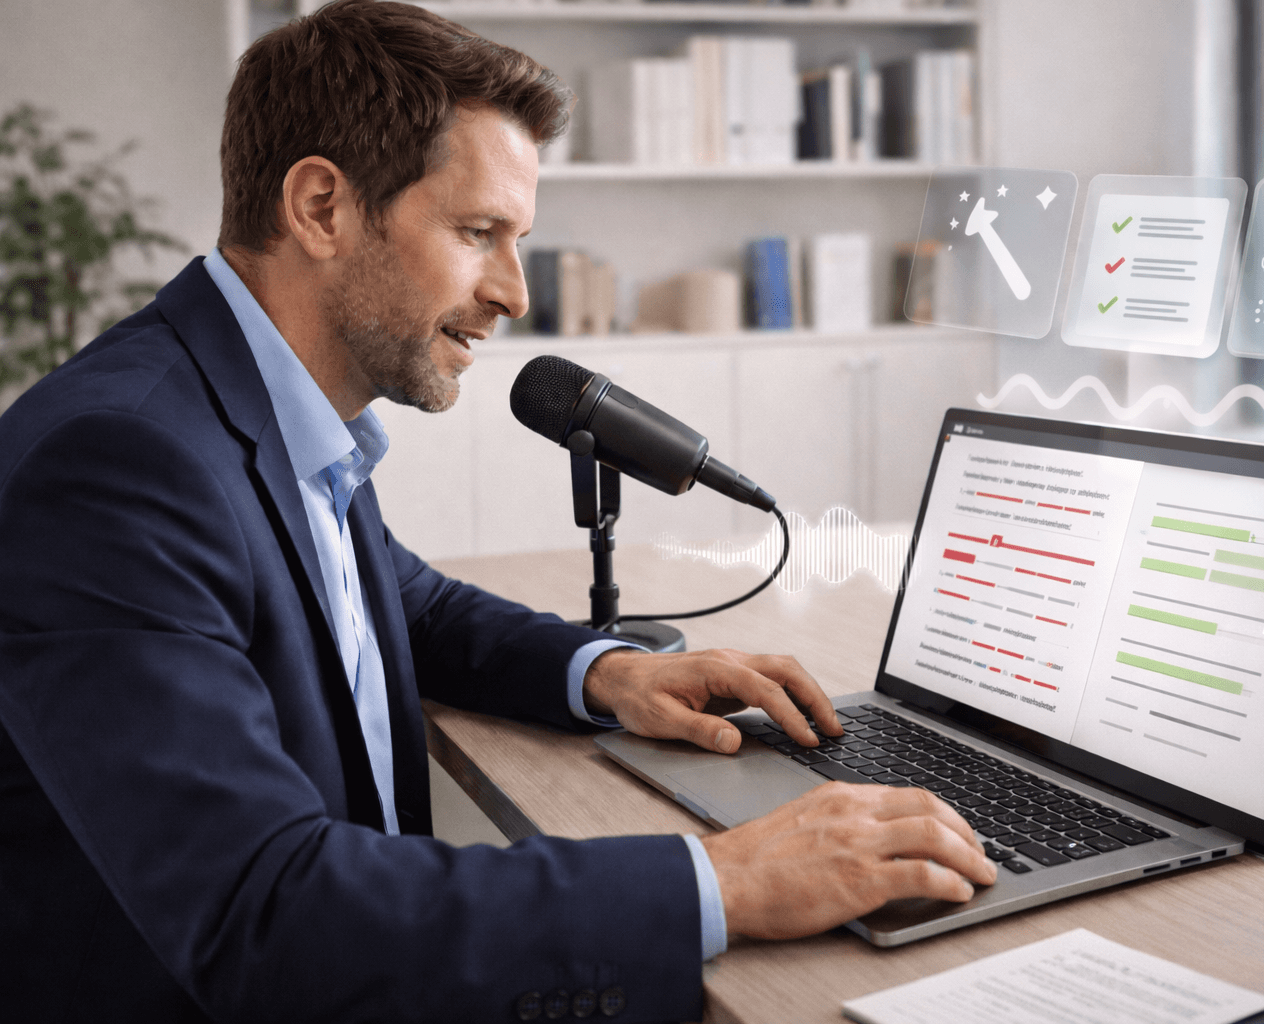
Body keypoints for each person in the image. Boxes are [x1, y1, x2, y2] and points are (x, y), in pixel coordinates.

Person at [0, 2, 995, 1021]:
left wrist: (611, 672)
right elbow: (264, 914)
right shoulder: (119, 464)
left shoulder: (257, 403)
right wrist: (722, 882)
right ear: (321, 207)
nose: (516, 292)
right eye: (480, 233)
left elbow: (405, 600)